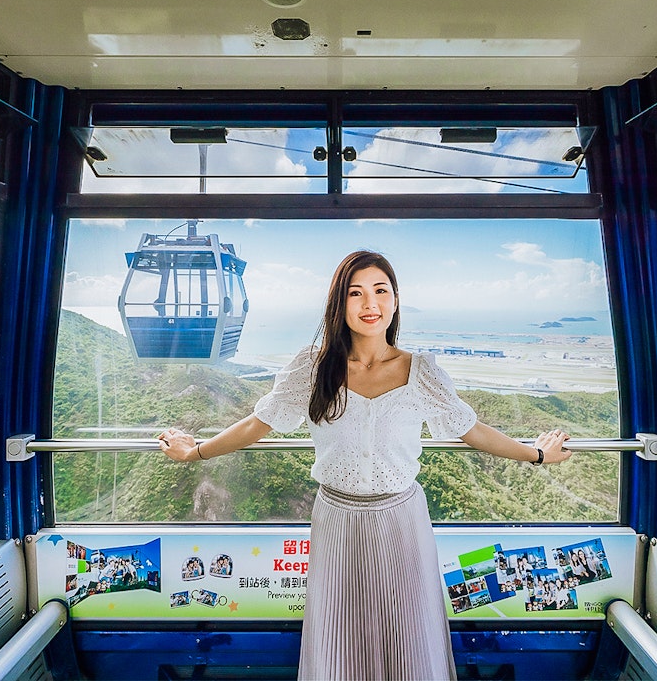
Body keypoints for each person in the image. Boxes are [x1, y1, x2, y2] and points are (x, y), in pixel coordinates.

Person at [159, 250, 572, 680]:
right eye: (355, 293)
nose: (370, 303)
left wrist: (537, 454)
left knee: (407, 631)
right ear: (339, 303)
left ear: (395, 300)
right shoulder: (313, 367)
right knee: (340, 630)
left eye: (380, 291)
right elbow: (257, 423)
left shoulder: (421, 370)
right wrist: (196, 451)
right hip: (337, 518)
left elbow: (470, 429)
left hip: (402, 521)